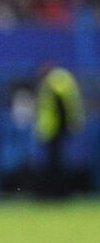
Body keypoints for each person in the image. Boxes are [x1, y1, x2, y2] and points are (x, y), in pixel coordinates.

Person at [34, 60, 85, 199]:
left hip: (56, 129)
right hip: (53, 129)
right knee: (56, 162)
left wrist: (66, 125)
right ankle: (57, 192)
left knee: (56, 164)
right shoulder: (57, 80)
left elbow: (61, 106)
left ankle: (57, 193)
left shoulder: (56, 81)